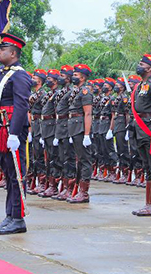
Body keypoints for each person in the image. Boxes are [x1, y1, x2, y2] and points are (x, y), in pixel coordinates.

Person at [0, 33, 32, 235]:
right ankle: (10, 215)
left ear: (13, 53)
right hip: (1, 127)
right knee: (9, 174)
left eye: (2, 49)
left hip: (12, 129)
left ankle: (18, 218)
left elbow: (20, 105)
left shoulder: (19, 75)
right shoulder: (3, 72)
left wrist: (15, 134)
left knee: (17, 175)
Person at [130, 54, 151, 217]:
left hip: (150, 128)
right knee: (148, 168)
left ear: (149, 68)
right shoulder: (140, 85)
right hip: (140, 129)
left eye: (142, 64)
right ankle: (148, 204)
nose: (139, 66)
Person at [66, 64, 95, 203]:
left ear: (83, 77)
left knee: (85, 160)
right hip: (74, 128)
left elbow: (88, 113)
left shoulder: (85, 92)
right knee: (79, 160)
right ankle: (78, 188)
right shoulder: (76, 91)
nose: (73, 77)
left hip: (81, 129)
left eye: (76, 75)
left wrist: (87, 134)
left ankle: (84, 192)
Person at [53, 65, 77, 200]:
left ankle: (71, 188)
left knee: (69, 159)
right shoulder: (61, 91)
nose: (59, 78)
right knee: (62, 158)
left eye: (62, 76)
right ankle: (65, 186)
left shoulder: (72, 91)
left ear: (68, 78)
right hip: (60, 126)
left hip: (68, 127)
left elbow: (71, 111)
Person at [38, 69, 61, 198]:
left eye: (50, 79)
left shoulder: (58, 94)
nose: (48, 80)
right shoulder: (49, 94)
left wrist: (57, 134)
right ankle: (48, 184)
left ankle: (54, 186)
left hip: (53, 128)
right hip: (46, 128)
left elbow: (59, 114)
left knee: (54, 159)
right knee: (48, 158)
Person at [28, 69, 48, 193]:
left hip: (41, 125)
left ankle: (42, 182)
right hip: (33, 125)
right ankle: (33, 180)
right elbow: (29, 112)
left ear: (40, 80)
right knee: (33, 155)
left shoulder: (43, 95)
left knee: (40, 155)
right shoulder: (32, 94)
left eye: (34, 78)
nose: (32, 80)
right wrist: (30, 130)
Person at [109, 78, 131, 184]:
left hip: (122, 123)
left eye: (118, 84)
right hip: (117, 123)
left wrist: (127, 127)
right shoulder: (115, 97)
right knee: (119, 149)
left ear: (122, 87)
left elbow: (127, 114)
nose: (116, 86)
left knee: (123, 149)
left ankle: (126, 172)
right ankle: (122, 171)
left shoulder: (124, 97)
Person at [97, 78, 116, 182]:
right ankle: (105, 170)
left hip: (107, 124)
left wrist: (110, 129)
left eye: (106, 85)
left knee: (109, 150)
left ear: (111, 88)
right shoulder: (103, 98)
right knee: (102, 150)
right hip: (101, 125)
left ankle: (112, 171)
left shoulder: (112, 98)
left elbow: (113, 115)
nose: (104, 86)